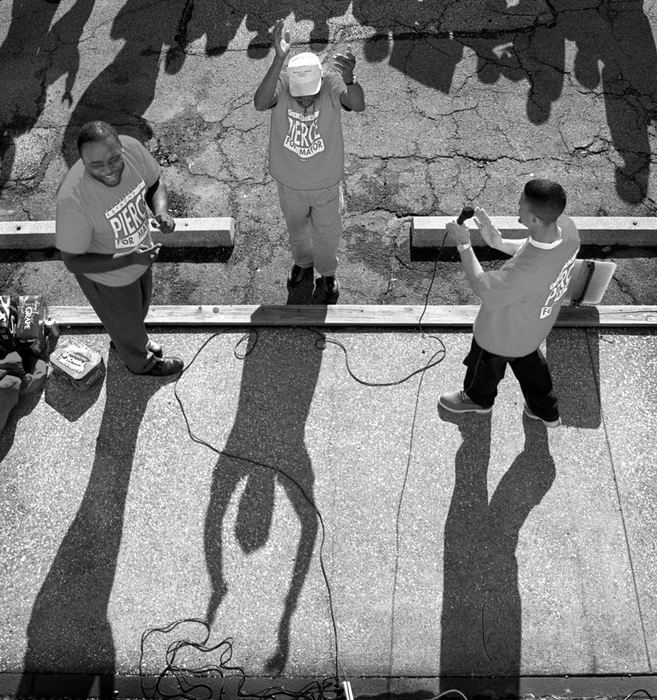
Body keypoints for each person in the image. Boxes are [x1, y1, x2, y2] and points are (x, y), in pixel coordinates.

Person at [438, 179, 581, 427]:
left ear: (534, 219)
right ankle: (546, 412)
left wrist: (463, 244)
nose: (517, 207)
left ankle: (477, 400)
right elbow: (532, 248)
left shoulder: (522, 275)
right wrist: (497, 242)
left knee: (483, 367)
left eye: (520, 204)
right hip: (535, 324)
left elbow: (481, 285)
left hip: (500, 331)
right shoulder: (568, 230)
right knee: (531, 368)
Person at [55, 120, 183, 375]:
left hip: (139, 258)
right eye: (96, 165)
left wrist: (161, 212)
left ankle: (128, 339)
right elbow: (73, 262)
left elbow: (155, 183)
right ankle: (141, 363)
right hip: (108, 278)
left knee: (135, 314)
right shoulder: (72, 201)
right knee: (126, 320)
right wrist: (127, 259)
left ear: (121, 147)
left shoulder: (133, 148)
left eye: (114, 158)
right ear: (81, 161)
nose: (108, 170)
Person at [254, 19, 366, 304]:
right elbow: (259, 102)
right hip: (289, 183)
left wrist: (351, 79)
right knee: (297, 230)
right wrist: (279, 60)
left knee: (327, 234)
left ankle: (327, 273)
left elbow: (357, 104)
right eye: (299, 95)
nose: (305, 101)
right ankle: (303, 264)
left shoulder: (330, 81)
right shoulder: (282, 80)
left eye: (310, 95)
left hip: (326, 183)